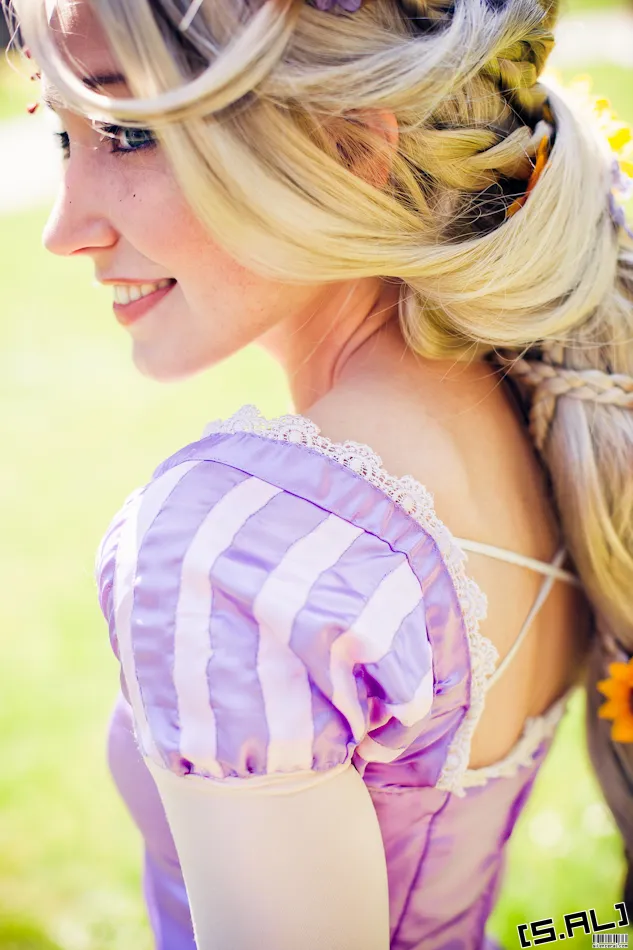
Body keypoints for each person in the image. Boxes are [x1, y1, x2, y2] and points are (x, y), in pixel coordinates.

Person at [7, 0, 633, 947]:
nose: (65, 229)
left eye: (130, 132)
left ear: (346, 146)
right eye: (66, 135)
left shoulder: (231, 553)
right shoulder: (538, 410)